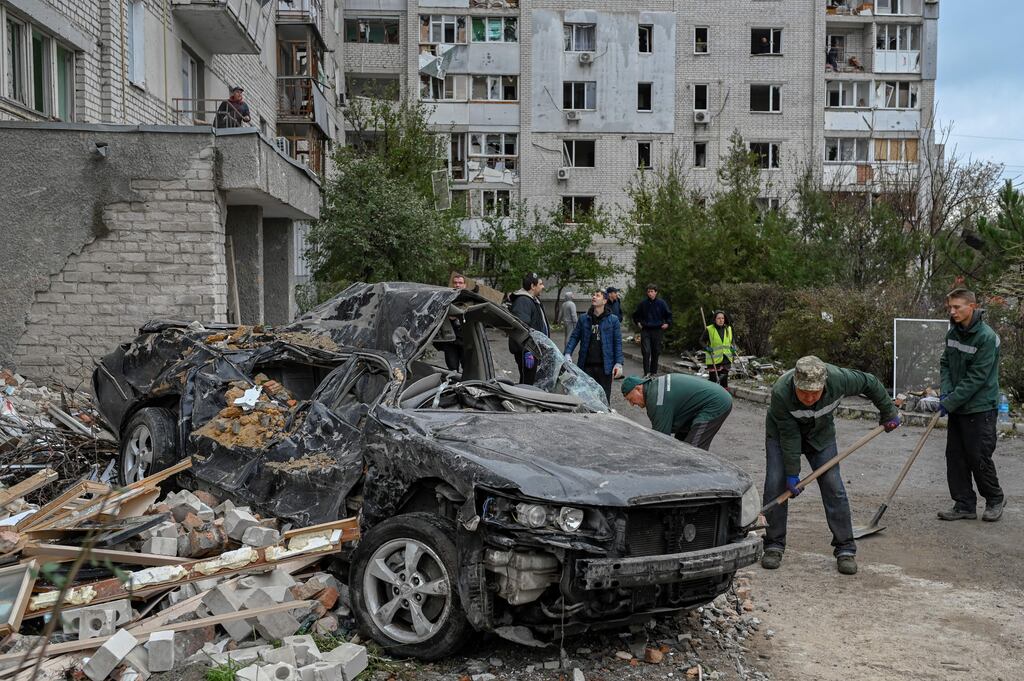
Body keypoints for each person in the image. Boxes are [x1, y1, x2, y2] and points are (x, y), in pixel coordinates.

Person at [761, 356, 901, 576]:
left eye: (814, 393)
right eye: (803, 392)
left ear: (824, 384)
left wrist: (888, 411)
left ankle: (845, 549)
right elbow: (789, 437)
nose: (808, 398)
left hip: (821, 435)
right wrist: (792, 473)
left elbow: (870, 382)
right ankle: (773, 544)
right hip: (781, 436)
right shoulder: (781, 392)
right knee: (775, 484)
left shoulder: (840, 379)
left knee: (833, 485)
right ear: (795, 384)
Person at [937, 288, 1005, 522]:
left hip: (980, 407)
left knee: (978, 456)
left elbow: (977, 377)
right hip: (958, 405)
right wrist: (946, 391)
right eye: (950, 307)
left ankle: (995, 499)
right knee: (955, 456)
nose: (952, 311)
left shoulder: (987, 338)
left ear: (972, 307)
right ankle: (964, 504)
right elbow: (945, 362)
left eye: (957, 307)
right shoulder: (953, 333)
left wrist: (951, 401)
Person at [621, 373, 732, 450]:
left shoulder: (656, 399)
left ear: (638, 388)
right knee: (680, 444)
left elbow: (661, 438)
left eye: (630, 399)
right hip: (709, 400)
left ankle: (700, 479)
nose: (632, 404)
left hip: (715, 404)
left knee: (692, 452)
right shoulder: (654, 388)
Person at [564, 289, 624, 403]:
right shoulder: (584, 319)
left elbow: (617, 342)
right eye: (593, 295)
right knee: (586, 400)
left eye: (597, 295)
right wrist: (567, 353)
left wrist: (618, 363)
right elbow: (574, 337)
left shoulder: (613, 320)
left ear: (605, 300)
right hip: (586, 366)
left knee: (604, 400)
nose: (594, 297)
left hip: (605, 367)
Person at [507, 272, 550, 385]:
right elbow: (522, 329)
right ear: (532, 286)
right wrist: (527, 351)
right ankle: (522, 402)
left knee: (530, 380)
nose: (543, 287)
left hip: (533, 349)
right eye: (540, 284)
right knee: (527, 382)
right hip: (527, 351)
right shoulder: (523, 301)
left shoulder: (532, 300)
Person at [631, 284, 672, 377]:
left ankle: (653, 371)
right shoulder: (643, 304)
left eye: (652, 291)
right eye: (648, 291)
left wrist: (667, 323)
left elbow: (668, 314)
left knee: (656, 351)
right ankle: (646, 372)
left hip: (657, 329)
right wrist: (638, 323)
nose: (650, 293)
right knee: (646, 351)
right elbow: (635, 315)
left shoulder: (661, 303)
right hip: (646, 329)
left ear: (656, 292)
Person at [438, 273, 467, 373]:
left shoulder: (470, 299)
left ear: (464, 285)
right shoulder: (445, 299)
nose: (457, 285)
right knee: (452, 369)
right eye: (455, 283)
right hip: (450, 341)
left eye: (460, 283)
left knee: (467, 368)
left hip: (465, 341)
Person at [703, 310, 736, 390]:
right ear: (715, 319)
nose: (721, 320)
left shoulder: (728, 328)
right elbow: (701, 340)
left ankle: (724, 398)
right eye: (718, 318)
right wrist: (707, 348)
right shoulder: (709, 329)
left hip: (726, 359)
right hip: (714, 359)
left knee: (724, 381)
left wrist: (733, 347)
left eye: (722, 318)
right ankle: (712, 397)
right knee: (713, 381)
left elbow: (732, 340)